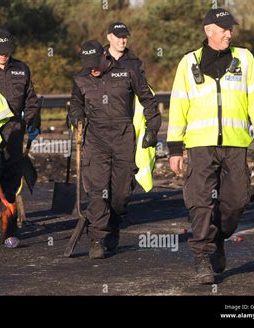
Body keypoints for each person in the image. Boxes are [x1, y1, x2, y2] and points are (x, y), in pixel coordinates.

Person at [167, 8, 254, 284]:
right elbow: (178, 106)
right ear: (208, 31)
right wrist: (175, 149)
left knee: (237, 200)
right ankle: (203, 258)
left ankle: (218, 238)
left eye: (231, 28)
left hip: (236, 144)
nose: (229, 33)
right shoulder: (188, 63)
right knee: (200, 202)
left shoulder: (245, 59)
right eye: (224, 28)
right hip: (200, 146)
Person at [69, 40, 161, 259]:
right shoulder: (81, 78)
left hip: (123, 136)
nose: (92, 69)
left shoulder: (127, 71)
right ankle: (97, 239)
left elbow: (148, 100)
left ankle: (114, 224)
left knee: (120, 194)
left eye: (95, 63)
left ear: (104, 55)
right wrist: (75, 117)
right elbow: (75, 104)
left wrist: (152, 129)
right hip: (95, 139)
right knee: (97, 191)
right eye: (87, 65)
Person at [0, 29, 40, 239]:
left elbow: (31, 100)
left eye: (7, 51)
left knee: (12, 176)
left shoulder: (22, 69)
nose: (3, 55)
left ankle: (8, 221)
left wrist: (32, 121)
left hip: (15, 132)